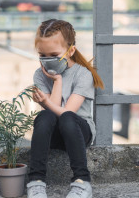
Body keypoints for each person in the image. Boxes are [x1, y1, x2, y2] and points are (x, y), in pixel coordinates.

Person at [26, 19, 104, 198]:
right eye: (42, 55)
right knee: (44, 117)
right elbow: (51, 115)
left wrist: (53, 89)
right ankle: (36, 182)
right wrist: (56, 80)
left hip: (78, 132)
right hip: (55, 134)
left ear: (71, 51)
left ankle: (82, 182)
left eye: (53, 54)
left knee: (67, 117)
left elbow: (68, 112)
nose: (47, 60)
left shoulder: (83, 74)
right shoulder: (40, 74)